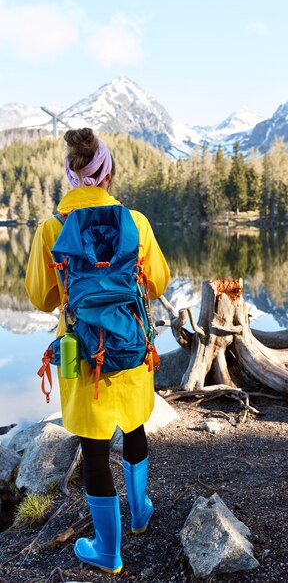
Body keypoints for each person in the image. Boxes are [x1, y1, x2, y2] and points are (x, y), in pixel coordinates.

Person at [25, 128, 170, 574]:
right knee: (135, 427)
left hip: (81, 355)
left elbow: (40, 298)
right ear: (108, 173)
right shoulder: (137, 223)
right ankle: (140, 513)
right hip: (129, 351)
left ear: (71, 176)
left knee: (93, 448)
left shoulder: (53, 228)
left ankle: (108, 551)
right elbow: (158, 282)